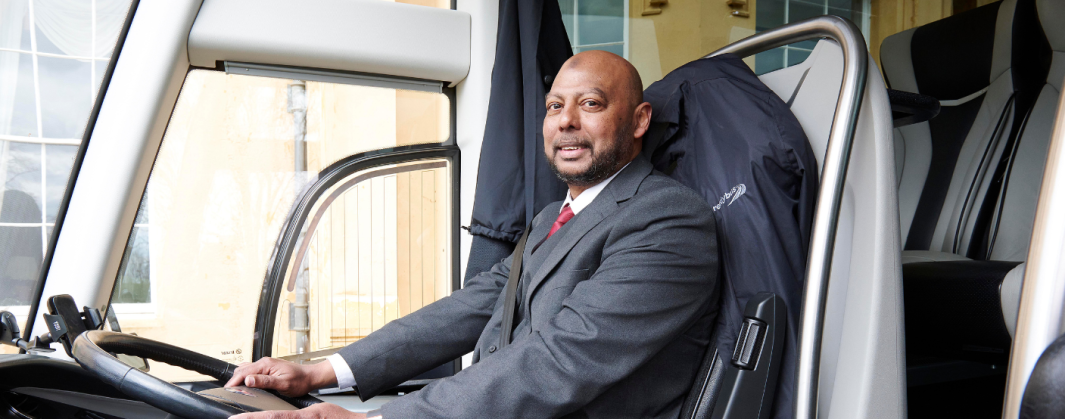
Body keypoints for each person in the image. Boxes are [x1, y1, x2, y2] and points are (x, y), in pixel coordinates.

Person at [227, 50, 719, 419]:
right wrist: (323, 371)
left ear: (639, 121)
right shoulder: (553, 217)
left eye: (590, 103)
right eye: (554, 106)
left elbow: (560, 360)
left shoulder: (668, 220)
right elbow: (474, 306)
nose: (566, 121)